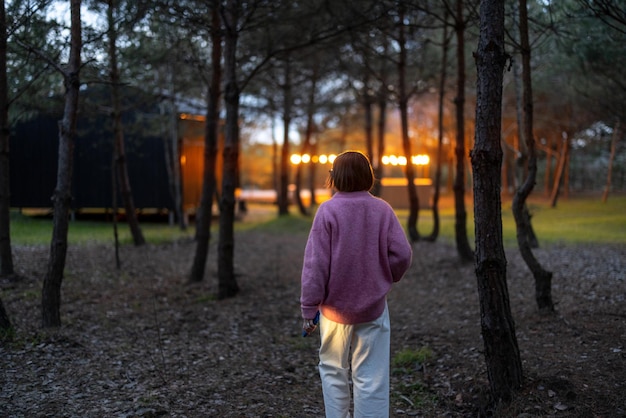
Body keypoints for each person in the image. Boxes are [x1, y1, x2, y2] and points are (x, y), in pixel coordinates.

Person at [300, 150, 413, 418]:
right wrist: (386, 276)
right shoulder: (382, 210)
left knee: (333, 369)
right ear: (369, 176)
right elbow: (403, 254)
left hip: (333, 311)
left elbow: (315, 265)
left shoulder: (328, 211)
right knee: (372, 376)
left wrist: (308, 308)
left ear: (334, 178)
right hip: (373, 309)